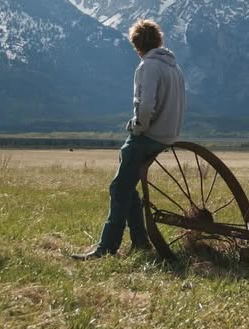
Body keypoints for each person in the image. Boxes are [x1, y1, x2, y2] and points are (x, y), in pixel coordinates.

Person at [72, 19, 187, 260]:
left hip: (148, 135)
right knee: (129, 185)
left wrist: (137, 126)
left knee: (119, 188)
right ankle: (140, 240)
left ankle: (107, 246)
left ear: (137, 45)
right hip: (168, 134)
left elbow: (145, 106)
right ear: (158, 40)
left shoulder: (148, 67)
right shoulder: (174, 67)